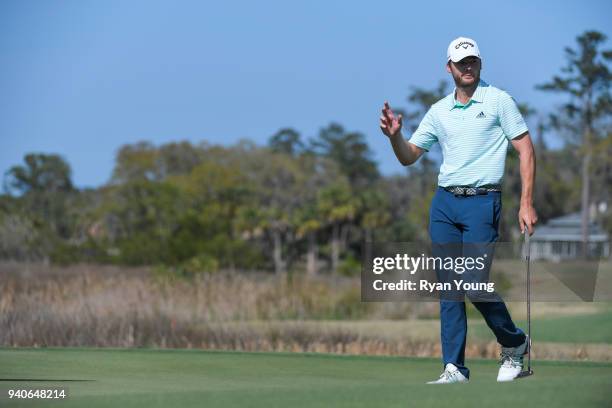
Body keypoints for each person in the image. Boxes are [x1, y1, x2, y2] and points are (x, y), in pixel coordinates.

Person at [379, 36, 538, 383]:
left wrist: (526, 202)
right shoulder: (438, 111)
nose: (468, 67)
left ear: (480, 64)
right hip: (445, 204)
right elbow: (409, 157)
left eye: (473, 61)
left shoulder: (499, 101)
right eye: (461, 62)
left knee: (474, 282)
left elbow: (525, 149)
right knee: (450, 287)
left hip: (483, 203)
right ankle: (454, 367)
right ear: (448, 67)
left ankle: (514, 343)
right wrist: (394, 136)